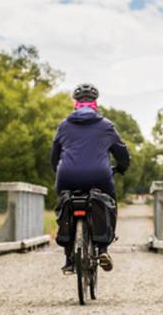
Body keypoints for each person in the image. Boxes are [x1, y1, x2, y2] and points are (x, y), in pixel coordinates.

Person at [50, 84, 130, 273]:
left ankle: (69, 258)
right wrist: (121, 168)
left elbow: (54, 155)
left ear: (75, 102)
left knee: (64, 204)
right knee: (110, 202)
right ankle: (103, 249)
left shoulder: (64, 125)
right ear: (95, 102)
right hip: (99, 176)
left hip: (67, 176)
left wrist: (59, 172)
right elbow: (121, 152)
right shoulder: (106, 126)